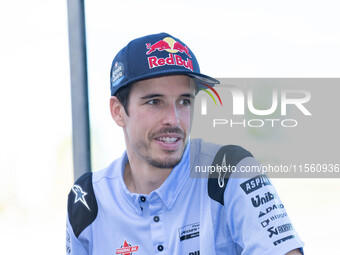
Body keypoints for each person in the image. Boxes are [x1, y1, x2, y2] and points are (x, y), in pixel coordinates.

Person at [66, 32, 304, 255]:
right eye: (154, 102)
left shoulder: (229, 169)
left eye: (184, 101)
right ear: (118, 111)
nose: (174, 119)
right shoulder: (87, 200)